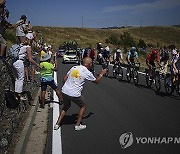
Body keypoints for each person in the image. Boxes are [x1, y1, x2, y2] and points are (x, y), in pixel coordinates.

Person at [54, 57, 107, 131]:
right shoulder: (87, 72)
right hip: (75, 94)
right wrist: (102, 73)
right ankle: (77, 125)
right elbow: (96, 81)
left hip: (65, 91)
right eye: (91, 63)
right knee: (83, 106)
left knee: (66, 106)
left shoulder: (74, 67)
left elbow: (64, 78)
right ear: (89, 64)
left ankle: (57, 124)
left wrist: (66, 87)